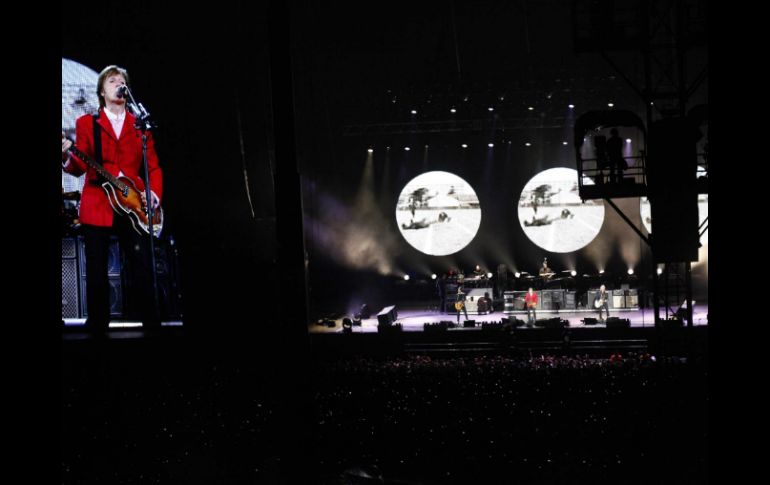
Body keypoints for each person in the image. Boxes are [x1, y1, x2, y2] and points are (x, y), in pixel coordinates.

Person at [61, 65, 163, 336]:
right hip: (98, 203)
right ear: (102, 91)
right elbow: (78, 167)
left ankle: (151, 324)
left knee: (141, 264)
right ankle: (98, 326)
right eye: (112, 80)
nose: (118, 84)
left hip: (132, 203)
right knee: (96, 269)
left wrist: (154, 192)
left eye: (122, 81)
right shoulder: (87, 124)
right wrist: (66, 156)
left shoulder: (139, 126)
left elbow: (152, 166)